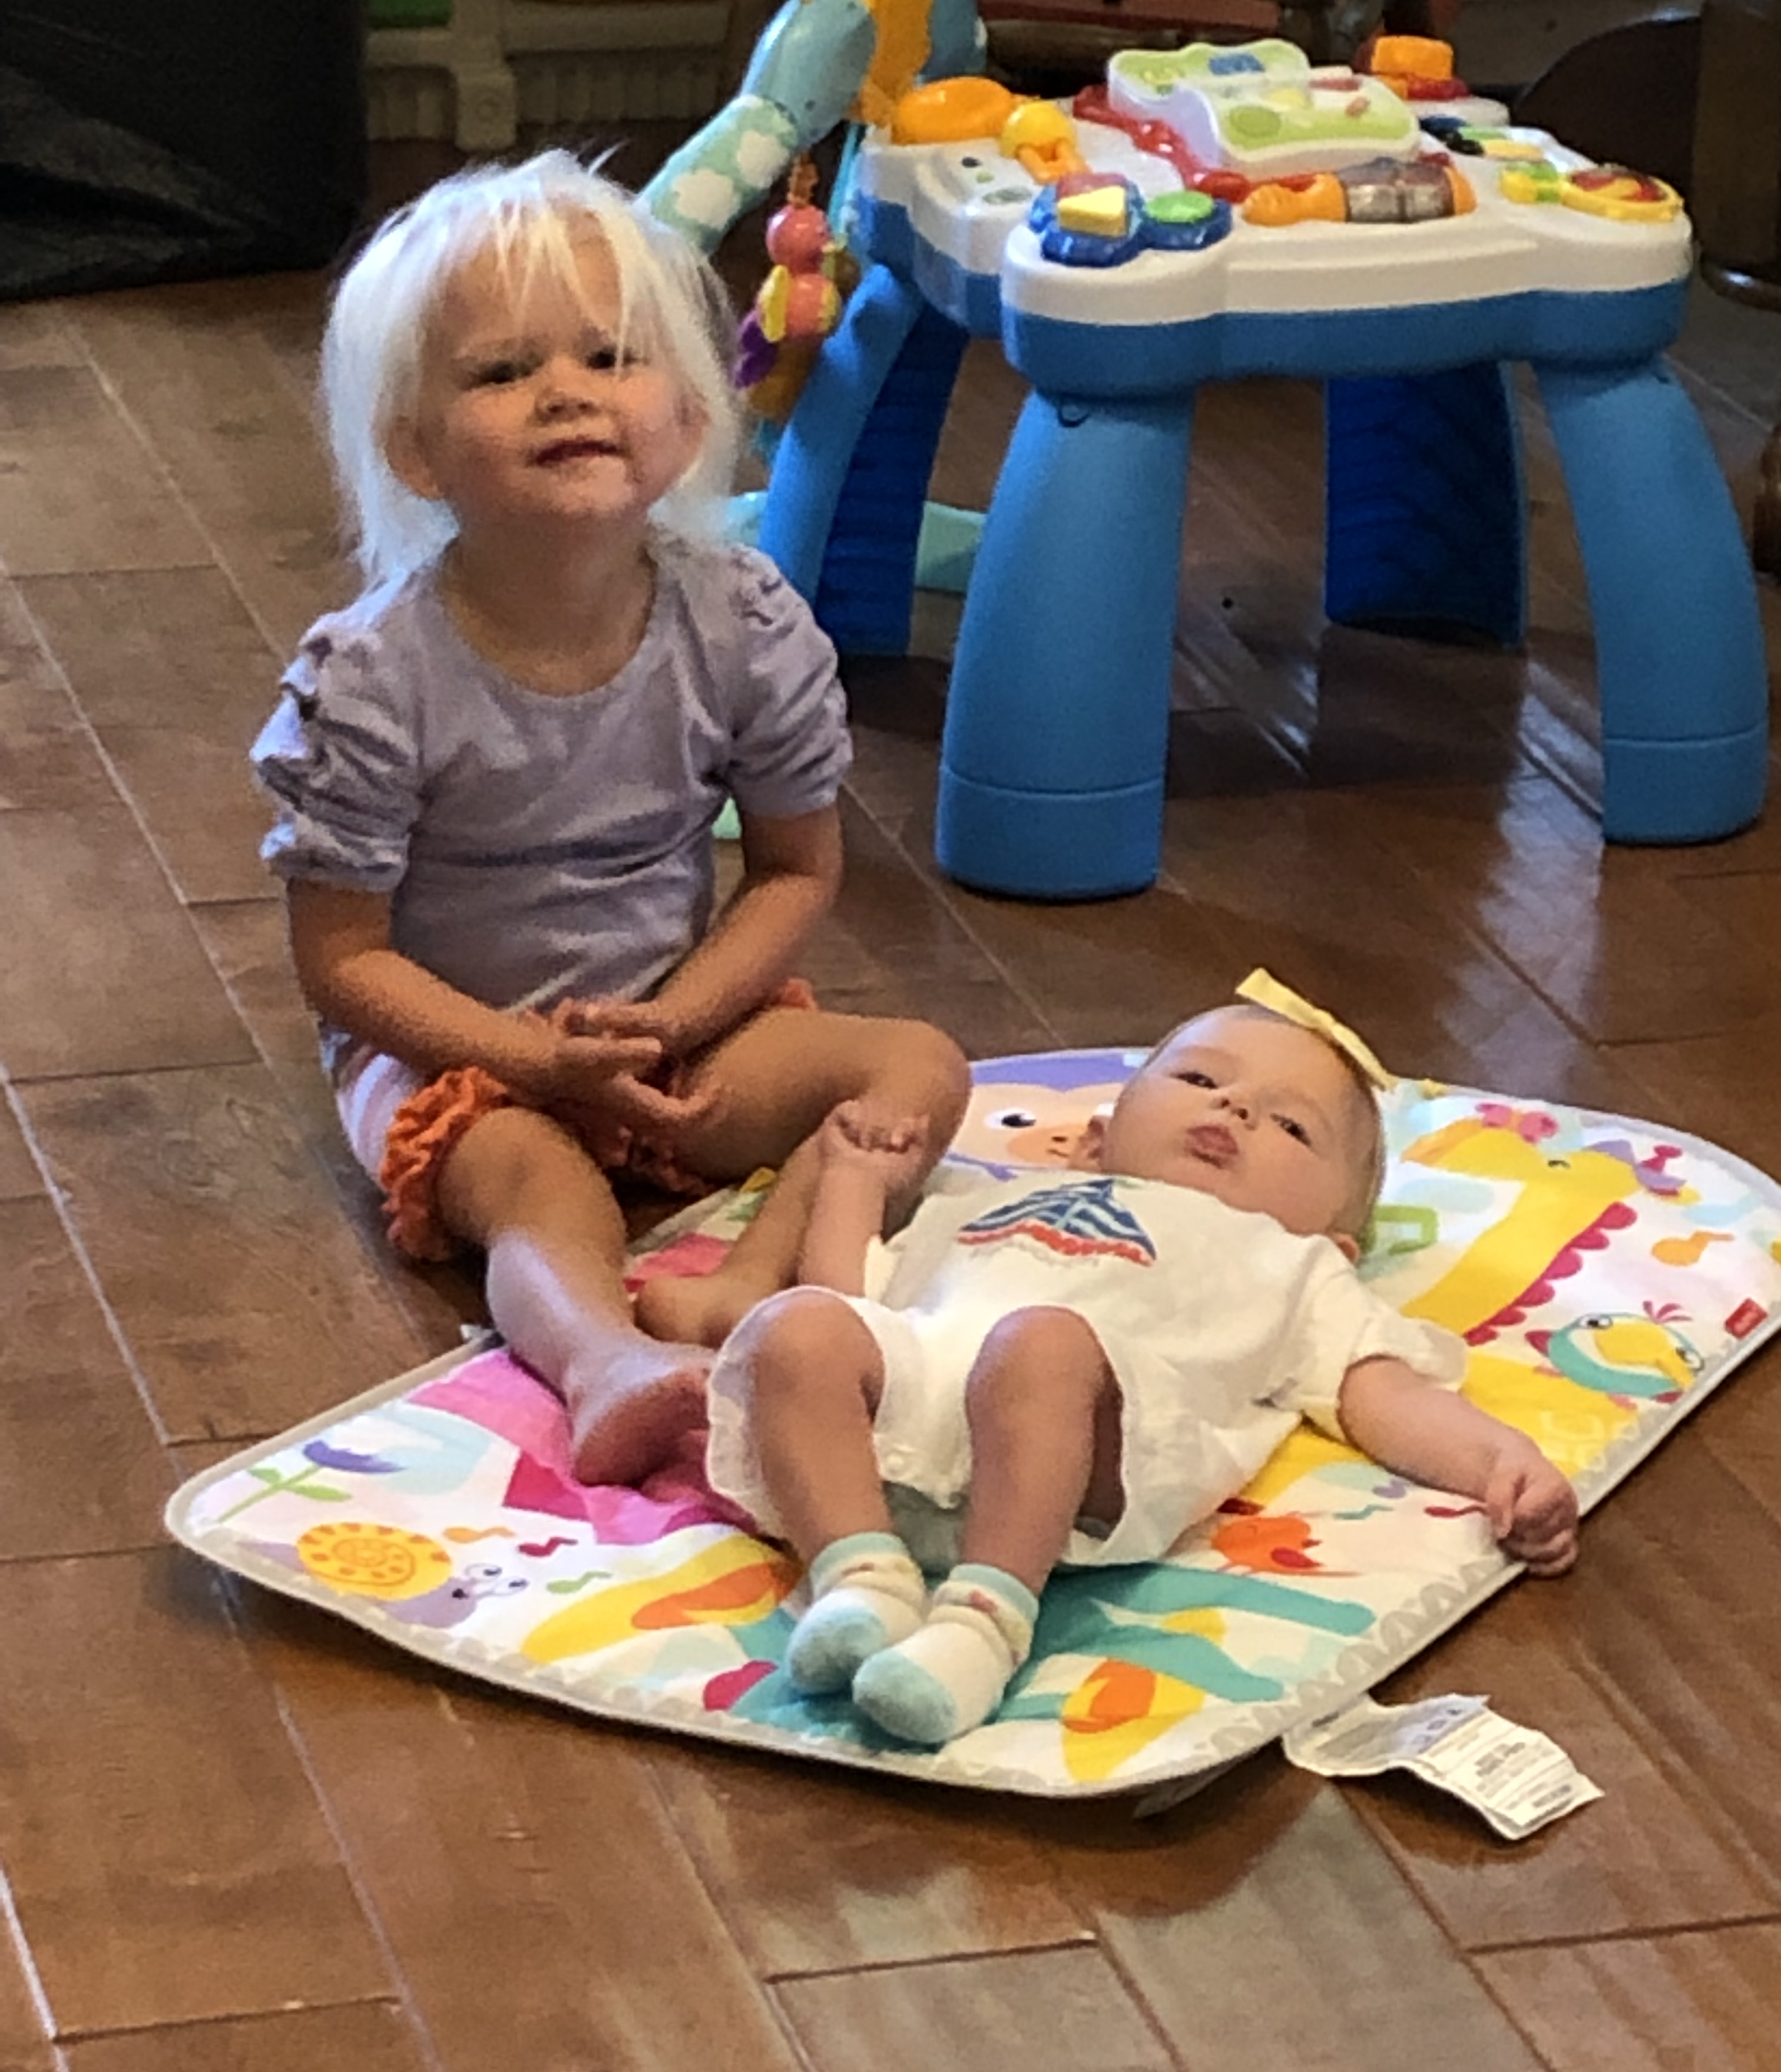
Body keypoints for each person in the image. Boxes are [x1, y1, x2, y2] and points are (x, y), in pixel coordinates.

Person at [251, 152, 967, 1485]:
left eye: (608, 356)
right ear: (414, 450)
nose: (566, 391)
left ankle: (766, 1282)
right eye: (501, 370)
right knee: (535, 1183)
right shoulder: (373, 677)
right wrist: (530, 1061)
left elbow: (795, 870)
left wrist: (674, 1025)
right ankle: (604, 1362)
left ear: (688, 420)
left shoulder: (744, 624)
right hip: (458, 1058)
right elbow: (342, 961)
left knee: (915, 1065)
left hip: (674, 1027)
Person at [705, 985, 1581, 1746]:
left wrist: (1501, 1462)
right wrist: (855, 1182)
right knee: (798, 1328)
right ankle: (860, 1577)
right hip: (897, 1442)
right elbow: (856, 1299)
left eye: (1291, 1126)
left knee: (1040, 1345)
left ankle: (984, 1622)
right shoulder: (992, 1200)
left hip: (1092, 1453)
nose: (1235, 1109)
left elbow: (1378, 1390)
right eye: (1200, 1081)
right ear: (1094, 1142)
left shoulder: (1292, 1264)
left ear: (1337, 1240)